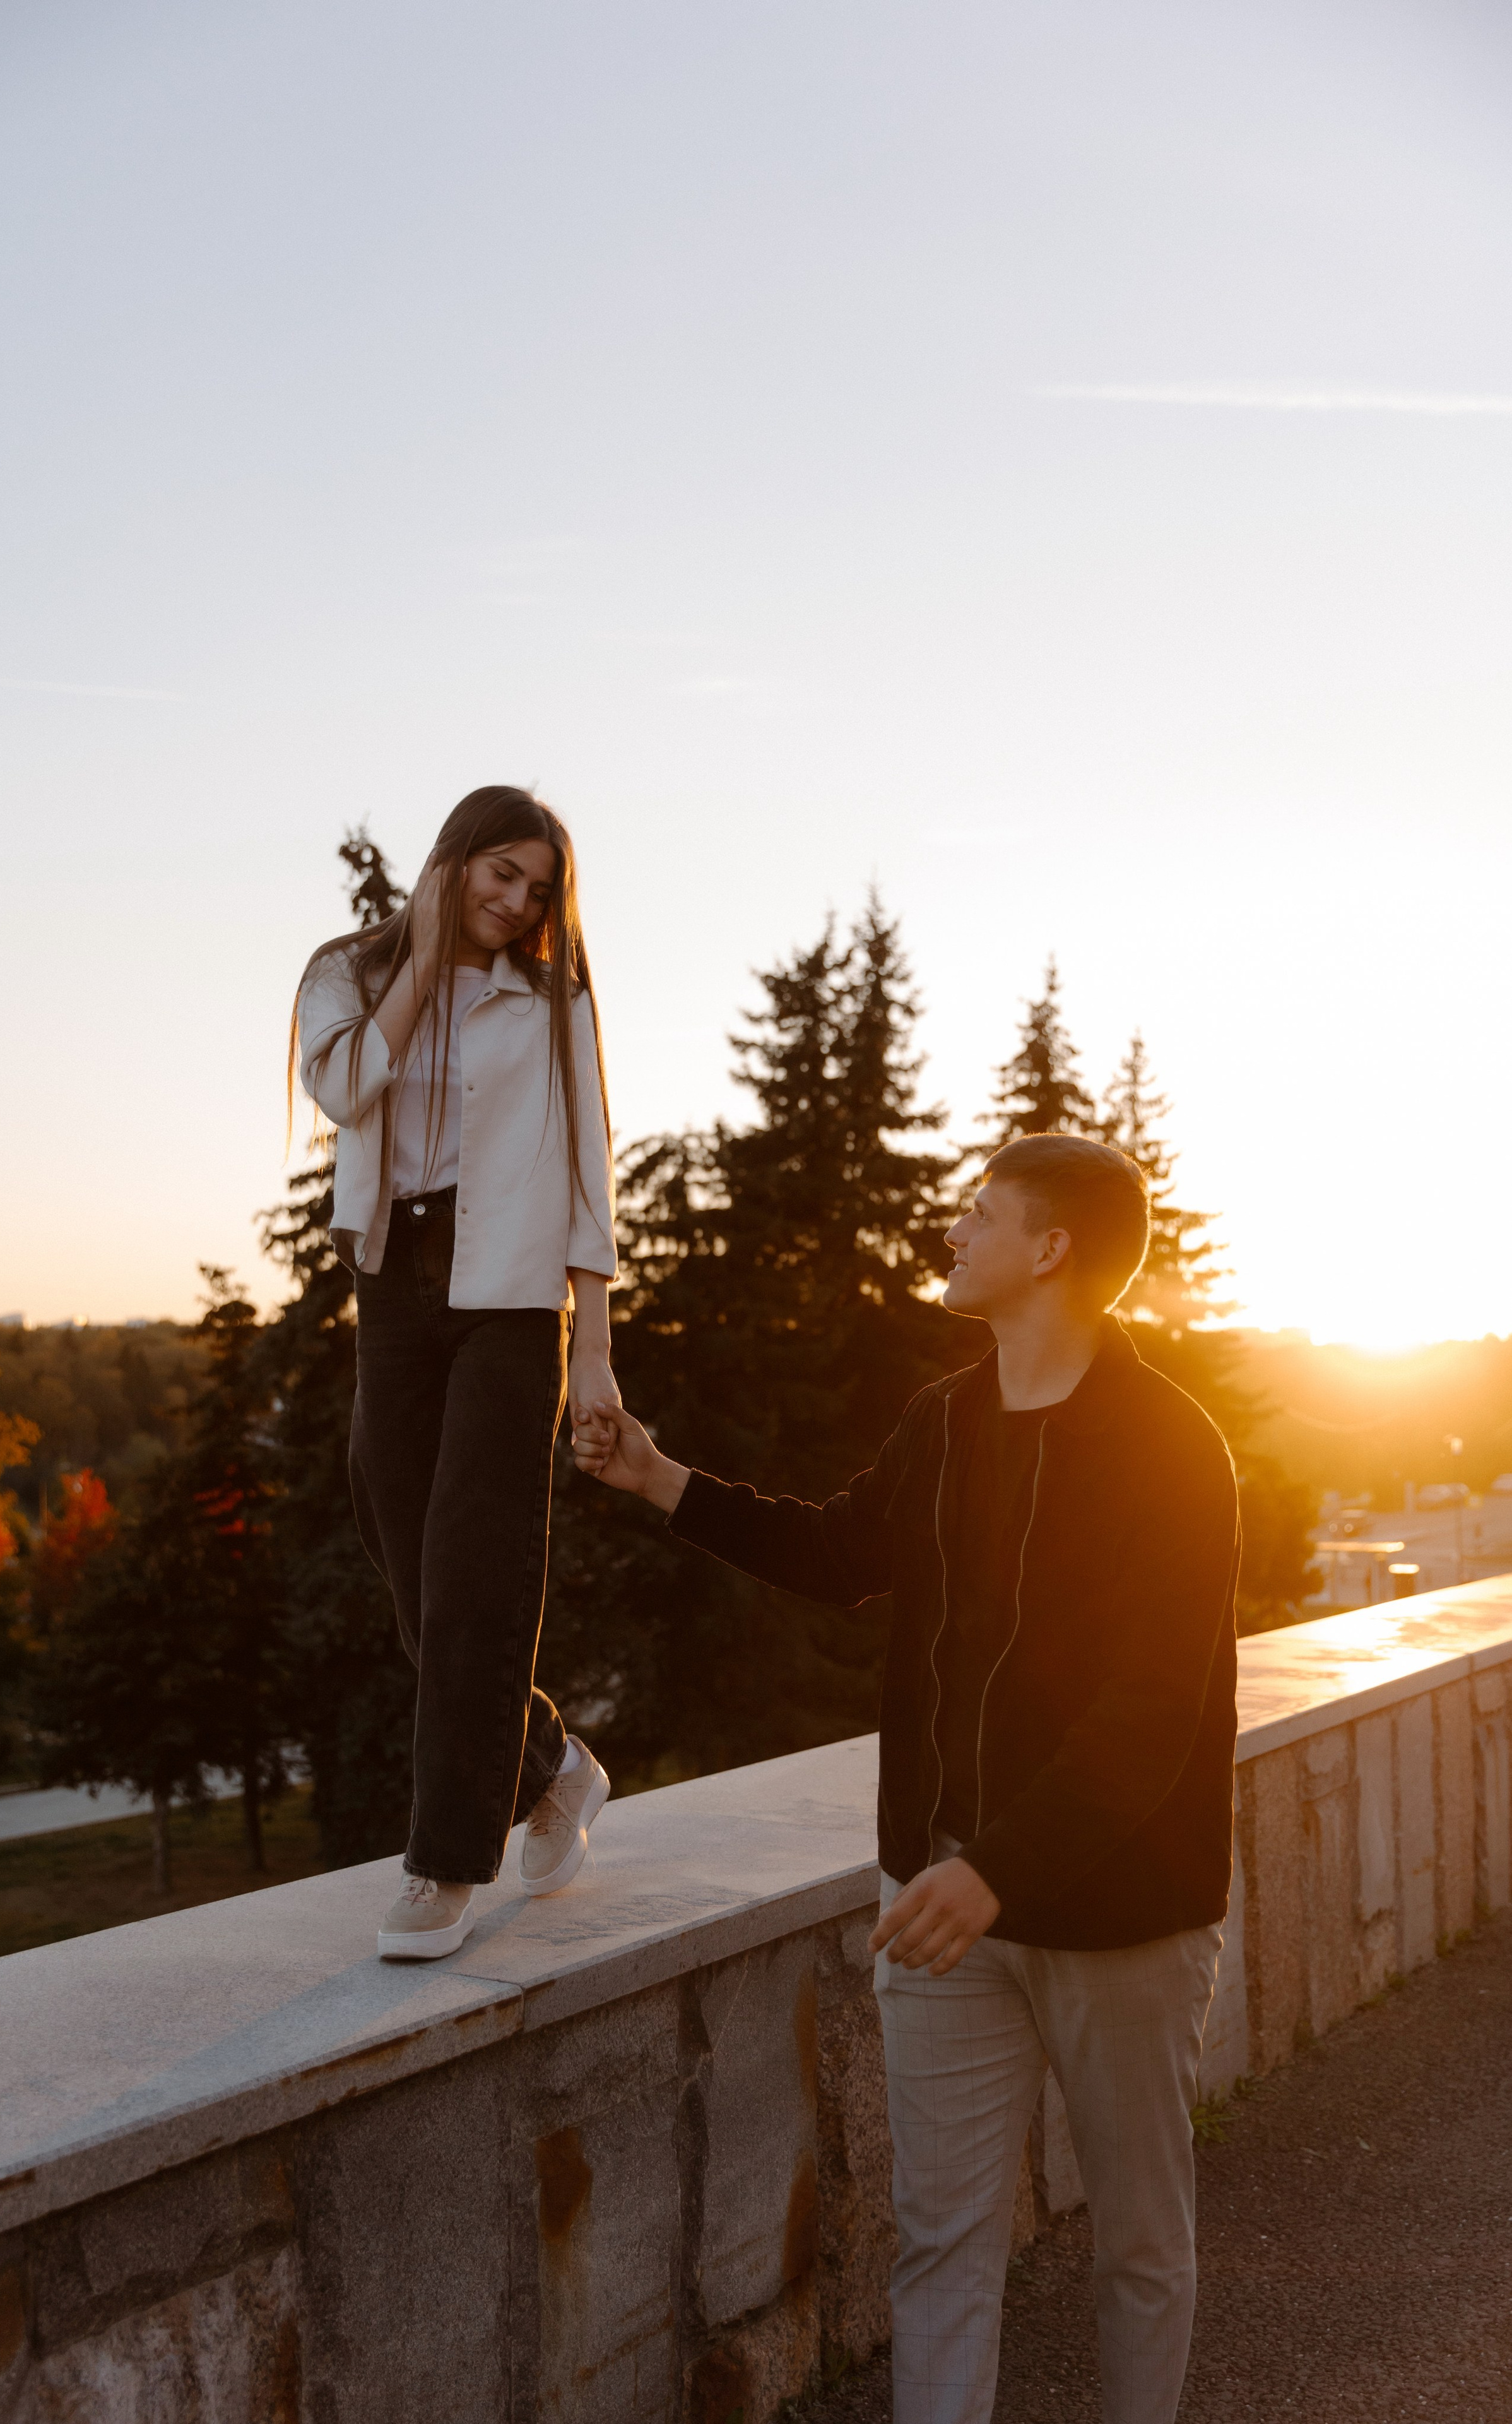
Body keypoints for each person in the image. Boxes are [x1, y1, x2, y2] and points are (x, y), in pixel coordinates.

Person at [572, 1133, 1239, 2424]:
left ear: (1049, 1250)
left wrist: (998, 1869)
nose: (953, 1231)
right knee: (939, 2246)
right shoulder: (941, 1420)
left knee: (1138, 2243)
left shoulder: (1169, 1446)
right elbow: (836, 1554)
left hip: (1119, 1920)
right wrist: (658, 1479)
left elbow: (1147, 1713)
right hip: (935, 1903)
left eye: (979, 1214)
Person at [292, 785, 618, 1961]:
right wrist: (425, 961)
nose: (518, 903)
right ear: (456, 860)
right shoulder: (345, 970)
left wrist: (597, 1355)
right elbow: (342, 1091)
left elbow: (590, 1164)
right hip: (394, 1282)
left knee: (477, 1565)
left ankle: (443, 1866)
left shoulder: (552, 997)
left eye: (538, 889)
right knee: (405, 1546)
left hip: (514, 1294)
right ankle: (551, 1766)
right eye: (502, 876)